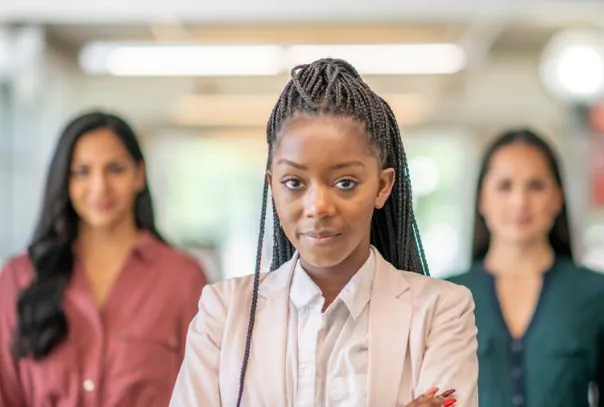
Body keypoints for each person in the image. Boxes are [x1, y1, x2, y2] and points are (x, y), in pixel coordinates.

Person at [169, 58, 478, 407]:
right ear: (273, 186)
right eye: (294, 182)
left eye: (345, 182)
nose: (318, 207)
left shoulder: (441, 311)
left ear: (382, 185)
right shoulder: (224, 312)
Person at [0, 111, 207, 407]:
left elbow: (201, 392)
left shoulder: (183, 278)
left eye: (115, 169)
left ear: (139, 174)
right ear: (64, 180)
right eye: (82, 171)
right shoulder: (19, 277)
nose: (100, 187)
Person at [447, 129, 604, 407]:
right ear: (482, 199)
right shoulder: (445, 296)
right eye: (504, 186)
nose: (520, 201)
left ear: (558, 198)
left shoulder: (601, 295)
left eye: (536, 186)